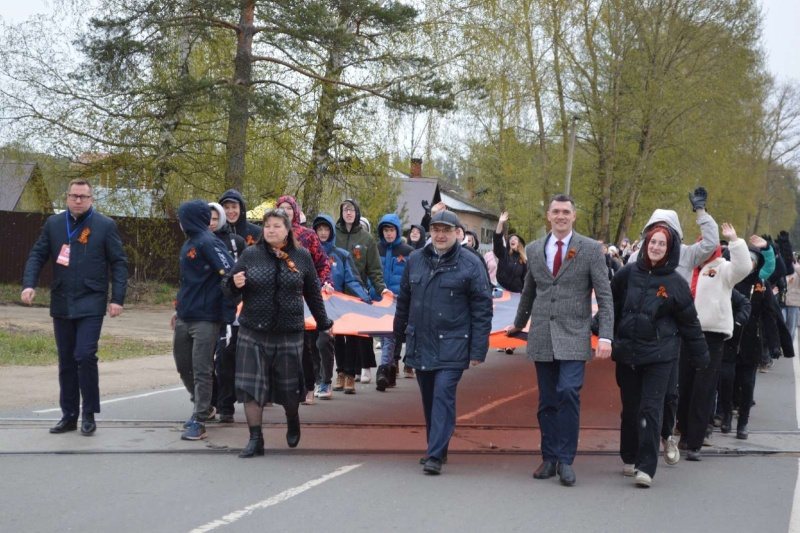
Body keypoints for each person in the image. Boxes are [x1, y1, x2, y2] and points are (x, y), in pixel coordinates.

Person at [506, 193, 614, 487]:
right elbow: (529, 292)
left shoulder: (590, 250)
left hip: (574, 335)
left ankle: (566, 459)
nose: (561, 216)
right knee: (547, 401)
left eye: (566, 211)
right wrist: (517, 324)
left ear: (574, 216)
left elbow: (605, 295)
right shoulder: (534, 249)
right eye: (556, 211)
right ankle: (549, 457)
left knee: (568, 392)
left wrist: (606, 335)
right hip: (541, 335)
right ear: (549, 216)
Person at [21, 179, 128, 436]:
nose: (78, 200)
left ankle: (89, 413)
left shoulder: (104, 226)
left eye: (83, 196)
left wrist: (117, 299)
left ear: (91, 199)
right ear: (67, 197)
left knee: (85, 355)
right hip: (62, 300)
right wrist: (29, 284)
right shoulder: (55, 224)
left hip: (91, 299)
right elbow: (37, 254)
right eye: (73, 196)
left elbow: (119, 263)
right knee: (66, 360)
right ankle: (69, 415)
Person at [223, 208, 332, 458]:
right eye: (267, 226)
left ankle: (292, 418)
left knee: (290, 388)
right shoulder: (250, 255)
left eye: (277, 226)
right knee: (252, 387)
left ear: (288, 230)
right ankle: (255, 438)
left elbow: (313, 294)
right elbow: (228, 288)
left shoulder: (302, 257)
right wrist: (233, 284)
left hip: (289, 332)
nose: (271, 230)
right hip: (253, 330)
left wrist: (324, 323)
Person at [394, 210, 493, 475]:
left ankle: (435, 455)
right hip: (421, 341)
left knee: (442, 395)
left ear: (457, 233)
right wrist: (396, 343)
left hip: (453, 343)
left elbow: (482, 309)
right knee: (429, 398)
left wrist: (478, 349)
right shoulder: (415, 260)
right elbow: (403, 303)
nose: (440, 235)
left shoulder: (471, 264)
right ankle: (438, 446)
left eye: (446, 230)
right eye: (435, 229)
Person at [610, 224, 709, 488]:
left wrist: (701, 356)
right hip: (628, 354)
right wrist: (604, 332)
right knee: (630, 409)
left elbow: (690, 323)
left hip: (659, 357)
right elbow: (613, 306)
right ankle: (629, 457)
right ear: (645, 244)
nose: (656, 247)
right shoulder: (627, 274)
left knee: (650, 410)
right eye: (653, 242)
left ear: (670, 249)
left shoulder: (676, 284)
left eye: (662, 244)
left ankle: (646, 467)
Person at [627, 186, 719, 465]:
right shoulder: (635, 259)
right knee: (639, 397)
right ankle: (639, 447)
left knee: (669, 391)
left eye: (666, 231)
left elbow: (712, 241)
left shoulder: (687, 255)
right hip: (639, 336)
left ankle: (668, 435)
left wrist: (701, 212)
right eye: (656, 230)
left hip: (671, 334)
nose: (659, 238)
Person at [676, 223, 750, 459]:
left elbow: (744, 267)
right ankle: (685, 434)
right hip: (687, 333)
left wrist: (736, 241)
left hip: (712, 335)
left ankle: (696, 441)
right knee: (684, 386)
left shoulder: (723, 268)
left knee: (704, 389)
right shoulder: (688, 267)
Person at [172, 200, 234, 440]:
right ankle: (205, 406)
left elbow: (231, 270)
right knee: (182, 364)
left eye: (182, 217)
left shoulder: (208, 241)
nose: (179, 221)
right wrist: (178, 308)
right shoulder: (188, 243)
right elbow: (187, 281)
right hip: (185, 315)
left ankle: (199, 418)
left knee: (201, 368)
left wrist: (225, 310)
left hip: (206, 317)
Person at [275, 195, 333, 404]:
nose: (285, 212)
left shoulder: (308, 236)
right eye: (281, 208)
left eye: (288, 209)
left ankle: (310, 386)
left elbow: (322, 263)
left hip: (305, 296)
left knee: (307, 345)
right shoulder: (272, 235)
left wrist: (324, 282)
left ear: (295, 212)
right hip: (278, 298)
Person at [313, 214, 372, 398]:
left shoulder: (341, 255)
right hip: (316, 306)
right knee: (323, 342)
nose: (323, 233)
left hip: (340, 304)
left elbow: (352, 279)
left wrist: (365, 298)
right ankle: (328, 377)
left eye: (326, 229)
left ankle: (349, 375)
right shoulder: (309, 253)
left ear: (331, 231)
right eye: (319, 229)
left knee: (347, 337)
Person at [335, 198, 390, 391]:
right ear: (341, 213)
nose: (348, 213)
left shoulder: (366, 239)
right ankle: (339, 372)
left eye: (352, 209)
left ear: (357, 213)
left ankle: (350, 374)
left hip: (356, 294)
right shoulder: (333, 236)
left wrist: (381, 289)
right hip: (334, 294)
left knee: (352, 336)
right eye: (345, 209)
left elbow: (375, 269)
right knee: (335, 336)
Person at [375, 213, 415, 392]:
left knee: (390, 335)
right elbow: (372, 273)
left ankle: (382, 371)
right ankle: (390, 370)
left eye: (391, 230)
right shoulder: (376, 250)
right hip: (380, 298)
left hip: (398, 301)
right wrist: (372, 290)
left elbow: (411, 277)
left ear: (397, 231)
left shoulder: (407, 252)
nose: (388, 233)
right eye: (385, 230)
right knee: (384, 338)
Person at [493, 211, 527, 292]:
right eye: (511, 239)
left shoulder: (523, 259)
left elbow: (525, 279)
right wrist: (500, 223)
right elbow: (497, 239)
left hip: (516, 293)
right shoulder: (503, 253)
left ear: (519, 243)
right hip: (501, 289)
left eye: (515, 239)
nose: (513, 240)